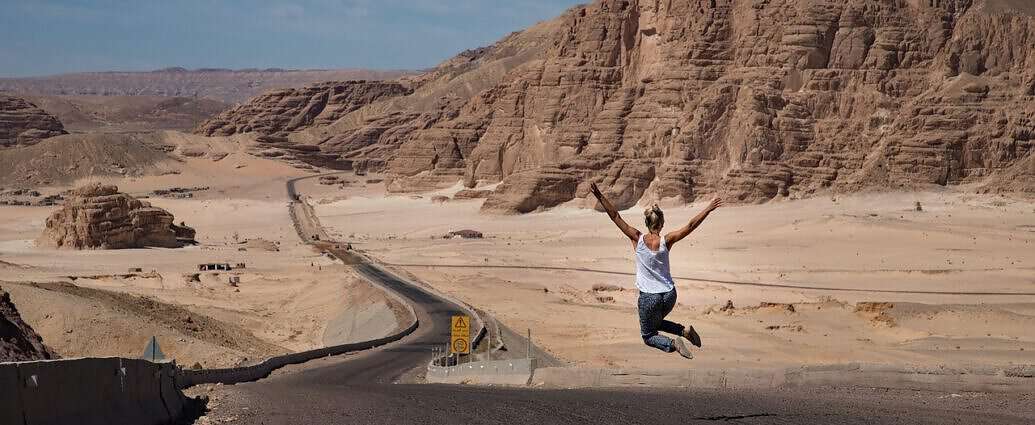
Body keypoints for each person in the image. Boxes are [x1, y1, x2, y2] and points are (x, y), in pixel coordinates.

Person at [589, 182, 723, 359]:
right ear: (662, 224)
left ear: (646, 223)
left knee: (648, 335)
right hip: (669, 295)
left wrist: (599, 196)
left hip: (649, 298)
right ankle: (684, 331)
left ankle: (673, 343)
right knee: (656, 322)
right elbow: (691, 225)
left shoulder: (636, 238)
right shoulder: (667, 240)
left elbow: (615, 216)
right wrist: (708, 209)